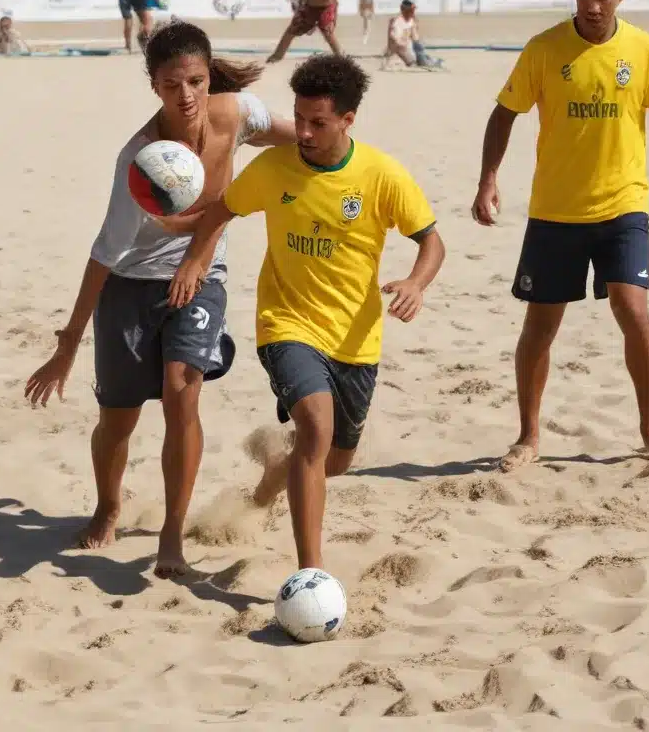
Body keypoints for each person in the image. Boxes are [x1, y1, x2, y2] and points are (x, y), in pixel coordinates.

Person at [24, 20, 295, 578]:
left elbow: (304, 141)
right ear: (154, 86)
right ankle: (108, 505)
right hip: (128, 283)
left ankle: (172, 532)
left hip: (201, 278)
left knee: (180, 391)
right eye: (173, 85)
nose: (187, 95)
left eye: (196, 80)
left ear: (208, 75)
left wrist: (341, 154)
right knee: (116, 424)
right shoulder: (141, 162)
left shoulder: (239, 113)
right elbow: (102, 255)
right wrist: (67, 344)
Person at [168, 55, 445, 571]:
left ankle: (276, 470)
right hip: (286, 325)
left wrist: (415, 282)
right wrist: (195, 260)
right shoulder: (274, 168)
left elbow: (431, 241)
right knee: (315, 429)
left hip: (356, 340)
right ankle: (310, 572)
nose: (305, 132)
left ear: (347, 120)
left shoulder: (381, 174)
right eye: (299, 118)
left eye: (318, 122)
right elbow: (223, 209)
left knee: (332, 460)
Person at [471, 0, 649, 474]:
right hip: (556, 211)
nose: (591, 6)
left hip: (623, 207)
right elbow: (502, 113)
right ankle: (528, 436)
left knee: (633, 309)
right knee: (541, 326)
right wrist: (489, 177)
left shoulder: (646, 51)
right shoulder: (543, 49)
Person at [382, 0, 442, 70]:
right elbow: (395, 40)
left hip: (408, 47)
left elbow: (415, 38)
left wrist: (415, 28)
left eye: (413, 10)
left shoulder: (411, 21)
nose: (413, 13)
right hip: (401, 49)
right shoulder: (397, 22)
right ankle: (425, 60)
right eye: (411, 11)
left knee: (419, 51)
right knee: (415, 60)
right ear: (405, 10)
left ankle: (427, 59)